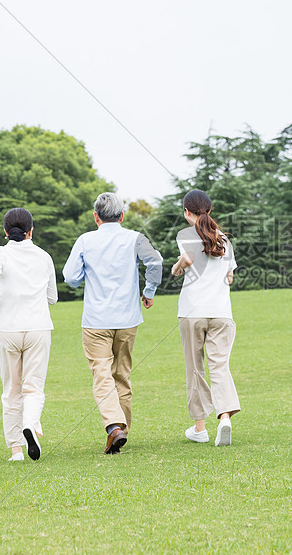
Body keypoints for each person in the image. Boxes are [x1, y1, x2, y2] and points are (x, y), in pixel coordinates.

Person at [63, 192, 163, 454]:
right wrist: (149, 291)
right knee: (122, 374)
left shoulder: (86, 240)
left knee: (101, 373)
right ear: (122, 216)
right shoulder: (135, 238)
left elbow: (71, 277)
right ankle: (122, 431)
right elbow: (155, 261)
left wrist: (86, 273)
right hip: (128, 319)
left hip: (96, 320)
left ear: (96, 217)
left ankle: (113, 427)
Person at [0, 207, 58, 462]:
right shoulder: (44, 256)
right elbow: (53, 298)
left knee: (11, 390)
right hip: (38, 327)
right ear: (31, 231)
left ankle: (16, 449)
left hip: (7, 328)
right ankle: (30, 424)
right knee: (34, 388)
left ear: (5, 231)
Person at [170, 189, 241, 447]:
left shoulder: (185, 235)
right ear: (209, 210)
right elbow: (230, 277)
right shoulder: (224, 239)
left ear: (187, 212)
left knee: (195, 368)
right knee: (219, 366)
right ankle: (224, 418)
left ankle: (200, 429)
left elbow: (187, 260)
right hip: (222, 314)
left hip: (192, 313)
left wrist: (176, 268)